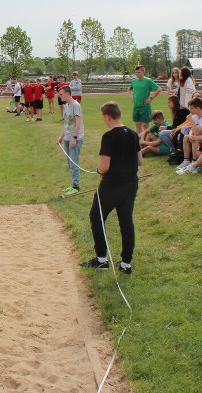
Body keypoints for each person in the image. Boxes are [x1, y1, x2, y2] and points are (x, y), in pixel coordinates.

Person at [81, 101, 142, 275]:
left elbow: (104, 166)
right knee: (126, 222)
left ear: (107, 117)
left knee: (97, 217)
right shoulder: (132, 134)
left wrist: (99, 170)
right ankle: (126, 263)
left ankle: (101, 260)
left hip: (111, 186)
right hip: (131, 184)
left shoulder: (109, 137)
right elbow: (140, 161)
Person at [56, 85, 84, 195]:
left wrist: (74, 138)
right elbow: (66, 123)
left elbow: (78, 122)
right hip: (67, 138)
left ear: (67, 94)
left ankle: (76, 186)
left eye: (61, 94)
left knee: (74, 163)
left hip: (74, 139)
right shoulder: (66, 106)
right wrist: (61, 137)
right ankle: (73, 184)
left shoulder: (76, 105)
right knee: (69, 163)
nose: (59, 96)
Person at [128, 64, 161, 134]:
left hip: (145, 107)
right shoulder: (134, 81)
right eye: (136, 72)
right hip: (136, 107)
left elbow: (159, 89)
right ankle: (139, 141)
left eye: (139, 72)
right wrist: (131, 97)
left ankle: (146, 140)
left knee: (145, 125)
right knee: (138, 125)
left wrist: (150, 98)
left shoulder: (148, 81)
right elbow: (129, 89)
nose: (137, 74)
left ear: (143, 72)